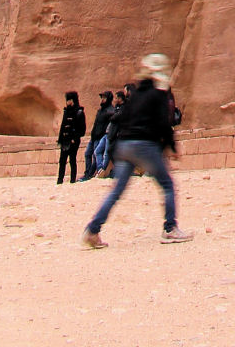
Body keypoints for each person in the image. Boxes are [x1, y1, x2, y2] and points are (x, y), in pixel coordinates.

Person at [83, 54, 191, 247]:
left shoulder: (135, 95)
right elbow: (164, 123)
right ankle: (170, 229)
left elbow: (121, 119)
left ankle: (92, 230)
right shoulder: (159, 94)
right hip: (145, 145)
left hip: (124, 146)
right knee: (167, 185)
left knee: (116, 191)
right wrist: (171, 147)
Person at [83, 90, 114, 180]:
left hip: (100, 137)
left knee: (95, 155)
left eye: (104, 97)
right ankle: (88, 173)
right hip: (94, 137)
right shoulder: (100, 110)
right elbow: (96, 124)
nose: (102, 99)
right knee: (87, 154)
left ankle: (92, 173)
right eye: (102, 97)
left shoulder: (110, 111)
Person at [57, 91, 87, 184]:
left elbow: (82, 129)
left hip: (73, 141)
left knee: (72, 160)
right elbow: (63, 126)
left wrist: (74, 138)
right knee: (62, 160)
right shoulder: (66, 112)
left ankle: (72, 180)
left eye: (68, 100)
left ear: (72, 100)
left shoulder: (79, 112)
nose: (67, 102)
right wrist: (60, 139)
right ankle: (60, 180)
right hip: (65, 140)